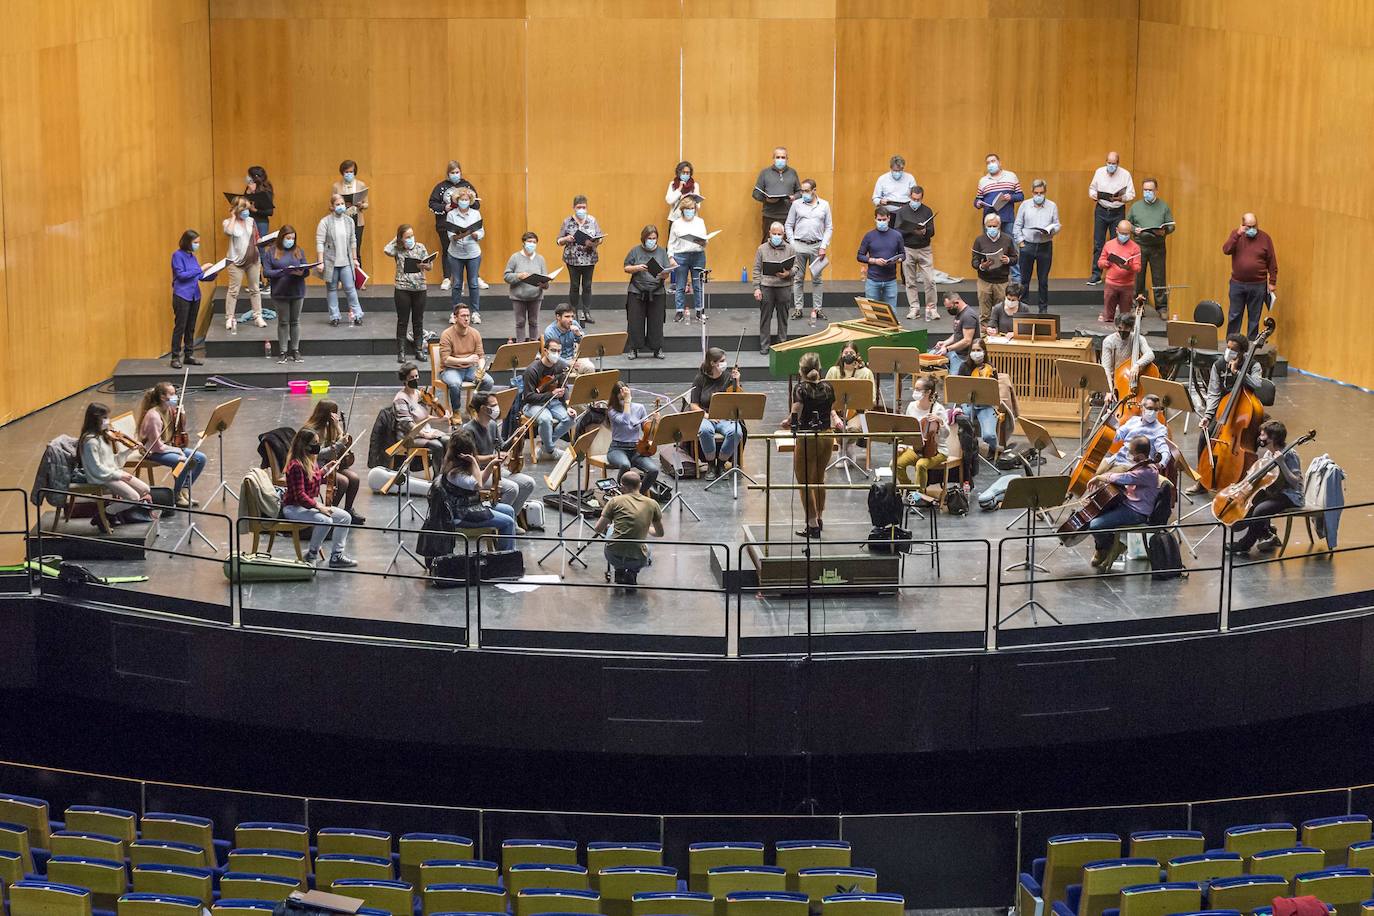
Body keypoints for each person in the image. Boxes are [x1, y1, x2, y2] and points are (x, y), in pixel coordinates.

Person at [1189, 332, 1265, 494]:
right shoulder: (1219, 365)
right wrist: (1208, 416)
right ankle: (1202, 482)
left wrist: (1238, 373)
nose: (1229, 352)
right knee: (1205, 436)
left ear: (1243, 352)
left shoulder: (1253, 365)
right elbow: (1214, 392)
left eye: (1234, 349)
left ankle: (1244, 481)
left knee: (1259, 438)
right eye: (1228, 348)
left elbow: (1258, 384)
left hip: (1246, 412)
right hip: (1225, 409)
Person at [281, 428, 356, 568]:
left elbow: (313, 480)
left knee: (345, 517)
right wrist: (319, 507)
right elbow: (300, 495)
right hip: (293, 508)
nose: (318, 446)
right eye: (314, 443)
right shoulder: (296, 466)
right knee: (325, 520)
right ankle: (311, 554)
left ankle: (336, 556)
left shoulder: (311, 461)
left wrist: (325, 470)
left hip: (307, 506)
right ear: (304, 446)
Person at [1228, 419, 1303, 555]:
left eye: (1263, 435)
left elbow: (1294, 482)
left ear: (1273, 438)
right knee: (1251, 505)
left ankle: (1245, 544)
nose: (1259, 438)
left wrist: (1282, 463)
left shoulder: (1290, 455)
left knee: (1260, 510)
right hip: (1273, 491)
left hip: (1289, 495)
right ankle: (1266, 533)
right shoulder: (1269, 453)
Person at [787, 352, 841, 539]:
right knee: (819, 479)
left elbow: (797, 411)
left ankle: (811, 524)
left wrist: (788, 421)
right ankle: (819, 517)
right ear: (819, 368)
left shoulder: (800, 389)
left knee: (804, 482)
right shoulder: (828, 387)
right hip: (827, 436)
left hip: (807, 438)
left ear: (800, 370)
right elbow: (829, 408)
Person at [1085, 435, 1157, 570]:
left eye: (1131, 453)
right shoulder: (1141, 465)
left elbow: (1124, 477)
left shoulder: (1147, 472)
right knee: (1094, 514)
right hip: (1128, 503)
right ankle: (1105, 547)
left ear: (1141, 456)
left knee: (1094, 525)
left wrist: (1101, 477)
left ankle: (1109, 546)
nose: (1129, 455)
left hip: (1136, 512)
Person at [77, 403, 154, 526]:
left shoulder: (103, 437)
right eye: (104, 418)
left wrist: (129, 450)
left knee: (145, 489)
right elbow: (96, 468)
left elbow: (112, 461)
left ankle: (114, 512)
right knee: (133, 498)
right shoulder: (90, 442)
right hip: (100, 477)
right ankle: (104, 514)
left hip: (112, 472)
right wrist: (119, 476)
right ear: (95, 419)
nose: (108, 420)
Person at [441, 430, 519, 552]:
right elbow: (479, 484)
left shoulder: (459, 466)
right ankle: (505, 559)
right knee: (508, 522)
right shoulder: (455, 474)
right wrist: (474, 462)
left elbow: (479, 478)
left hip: (471, 506)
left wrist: (492, 464)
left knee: (509, 510)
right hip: (461, 514)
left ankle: (507, 551)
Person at [462, 390, 535, 518]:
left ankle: (511, 519)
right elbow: (472, 459)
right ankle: (497, 521)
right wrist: (493, 458)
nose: (497, 408)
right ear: (484, 408)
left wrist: (516, 434)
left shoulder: (492, 424)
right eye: (494, 405)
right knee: (511, 488)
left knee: (528, 483)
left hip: (494, 469)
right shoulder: (469, 430)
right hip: (478, 473)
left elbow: (501, 446)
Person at [137, 382, 206, 508]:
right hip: (152, 451)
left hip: (166, 447)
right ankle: (177, 495)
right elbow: (156, 446)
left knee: (201, 458)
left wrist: (182, 415)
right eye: (172, 394)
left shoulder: (169, 409)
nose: (176, 397)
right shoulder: (154, 416)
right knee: (182, 461)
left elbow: (179, 429)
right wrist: (177, 451)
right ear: (163, 397)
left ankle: (185, 489)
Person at [594, 469, 665, 589]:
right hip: (638, 558)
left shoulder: (614, 501)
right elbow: (660, 533)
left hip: (613, 555)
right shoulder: (652, 504)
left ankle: (619, 570)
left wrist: (609, 525)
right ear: (640, 485)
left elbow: (598, 529)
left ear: (622, 487)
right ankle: (633, 572)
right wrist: (645, 527)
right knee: (647, 544)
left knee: (611, 527)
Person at [302, 399, 364, 524]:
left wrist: (337, 427)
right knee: (343, 481)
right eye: (333, 413)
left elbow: (343, 441)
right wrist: (335, 447)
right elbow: (315, 453)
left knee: (354, 478)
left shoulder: (330, 428)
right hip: (316, 466)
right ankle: (331, 511)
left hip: (331, 463)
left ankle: (348, 510)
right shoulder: (310, 430)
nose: (336, 417)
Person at [690, 347, 743, 479]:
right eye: (722, 361)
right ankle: (711, 464)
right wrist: (708, 416)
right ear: (713, 363)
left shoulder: (728, 377)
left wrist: (737, 381)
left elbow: (737, 398)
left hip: (725, 417)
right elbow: (693, 405)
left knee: (736, 432)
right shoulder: (700, 378)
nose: (725, 363)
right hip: (706, 416)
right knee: (705, 431)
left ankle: (721, 463)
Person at [784, 178, 831, 324]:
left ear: (814, 191)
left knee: (817, 279)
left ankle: (817, 309)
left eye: (806, 191)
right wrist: (792, 244)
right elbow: (788, 225)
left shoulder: (824, 205)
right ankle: (798, 308)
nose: (804, 193)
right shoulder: (796, 204)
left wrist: (824, 245)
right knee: (798, 278)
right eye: (802, 191)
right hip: (799, 245)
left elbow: (829, 227)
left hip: (817, 246)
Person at [1223, 213, 1278, 338]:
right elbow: (1226, 250)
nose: (1252, 229)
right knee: (1234, 315)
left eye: (1254, 226)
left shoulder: (1265, 238)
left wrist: (1272, 282)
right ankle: (1232, 345)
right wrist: (1237, 234)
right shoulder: (1236, 235)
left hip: (1258, 285)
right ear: (1242, 225)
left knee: (1254, 317)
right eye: (1249, 227)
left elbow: (1272, 261)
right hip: (1237, 284)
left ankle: (1250, 348)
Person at [382, 224, 431, 364]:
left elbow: (430, 266)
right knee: (402, 321)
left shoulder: (420, 247)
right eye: (407, 237)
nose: (411, 239)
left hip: (420, 289)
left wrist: (425, 265)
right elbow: (386, 250)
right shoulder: (397, 249)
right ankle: (401, 352)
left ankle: (419, 350)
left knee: (418, 321)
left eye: (412, 236)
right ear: (401, 239)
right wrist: (396, 240)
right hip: (402, 289)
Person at [521, 339, 576, 461]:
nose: (556, 353)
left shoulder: (561, 367)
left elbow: (564, 387)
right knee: (545, 419)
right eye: (553, 350)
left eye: (559, 351)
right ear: (545, 351)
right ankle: (551, 449)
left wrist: (568, 406)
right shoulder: (532, 370)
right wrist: (551, 394)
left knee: (571, 417)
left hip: (554, 402)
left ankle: (544, 445)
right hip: (534, 404)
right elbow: (528, 397)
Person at [428, 160, 480, 290]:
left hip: (467, 225)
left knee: (470, 249)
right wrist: (444, 207)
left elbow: (477, 204)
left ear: (461, 172)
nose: (455, 174)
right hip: (446, 225)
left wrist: (469, 200)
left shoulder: (467, 186)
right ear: (448, 174)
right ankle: (447, 278)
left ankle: (475, 277)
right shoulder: (440, 187)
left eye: (457, 172)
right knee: (447, 250)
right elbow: (432, 204)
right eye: (452, 172)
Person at [623, 225, 673, 360]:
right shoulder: (635, 251)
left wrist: (664, 274)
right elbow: (626, 267)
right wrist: (637, 268)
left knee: (656, 321)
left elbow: (667, 272)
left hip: (657, 291)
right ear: (643, 238)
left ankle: (657, 348)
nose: (652, 240)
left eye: (654, 238)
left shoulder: (662, 252)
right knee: (635, 321)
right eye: (649, 238)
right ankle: (633, 348)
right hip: (637, 290)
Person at [262, 225, 309, 364]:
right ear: (282, 237)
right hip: (280, 292)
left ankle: (295, 350)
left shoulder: (298, 250)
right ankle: (283, 351)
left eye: (293, 238)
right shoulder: (271, 252)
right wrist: (282, 272)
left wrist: (302, 271)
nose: (291, 241)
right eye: (288, 238)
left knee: (295, 321)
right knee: (283, 322)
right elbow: (266, 272)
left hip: (297, 290)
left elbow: (306, 269)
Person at [315, 193, 364, 327]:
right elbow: (320, 242)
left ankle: (357, 314)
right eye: (337, 204)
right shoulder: (325, 222)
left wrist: (354, 258)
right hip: (330, 262)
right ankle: (334, 316)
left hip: (346, 262)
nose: (341, 206)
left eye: (342, 204)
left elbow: (353, 240)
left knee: (350, 288)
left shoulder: (349, 221)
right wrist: (320, 261)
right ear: (332, 206)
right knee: (331, 289)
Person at [1087, 151, 1136, 285]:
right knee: (1098, 243)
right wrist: (1094, 195)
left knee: (1118, 244)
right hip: (1101, 209)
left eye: (1113, 164)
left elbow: (1132, 194)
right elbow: (1091, 189)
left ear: (1118, 164)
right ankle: (1096, 274)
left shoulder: (1125, 174)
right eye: (1109, 163)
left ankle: (1115, 274)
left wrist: (1122, 198)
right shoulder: (1099, 172)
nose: (1111, 166)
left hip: (1117, 211)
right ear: (1106, 162)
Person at [1128, 178, 1175, 316]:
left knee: (1159, 277)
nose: (1147, 192)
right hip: (1139, 246)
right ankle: (1138, 305)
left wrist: (1165, 231)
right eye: (1145, 190)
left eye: (1150, 190)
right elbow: (1127, 223)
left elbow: (1171, 225)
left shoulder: (1163, 206)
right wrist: (1133, 229)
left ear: (1156, 191)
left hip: (1157, 247)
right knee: (1138, 278)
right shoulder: (1136, 206)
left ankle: (1162, 307)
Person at [974, 153, 1024, 282]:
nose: (991, 164)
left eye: (993, 161)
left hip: (1007, 219)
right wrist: (978, 203)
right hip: (989, 219)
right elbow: (977, 199)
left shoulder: (1011, 176)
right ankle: (989, 277)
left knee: (1011, 247)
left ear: (999, 162)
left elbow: (1021, 195)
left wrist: (1010, 197)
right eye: (988, 162)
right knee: (988, 248)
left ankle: (1016, 280)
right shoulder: (983, 181)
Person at [1012, 179, 1059, 314]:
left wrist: (1052, 230)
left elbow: (1056, 224)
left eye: (1041, 193)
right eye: (1036, 193)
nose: (1039, 195)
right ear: (1032, 192)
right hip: (1027, 245)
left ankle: (1043, 310)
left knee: (1043, 281)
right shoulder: (1025, 205)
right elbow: (1017, 226)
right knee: (1024, 280)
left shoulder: (1052, 206)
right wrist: (1020, 242)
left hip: (1045, 246)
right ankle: (1024, 308)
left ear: (1045, 192)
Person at [605, 382, 661, 494]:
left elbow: (647, 430)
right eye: (621, 393)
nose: (624, 394)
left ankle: (637, 495)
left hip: (636, 449)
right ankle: (620, 493)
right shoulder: (612, 410)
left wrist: (655, 422)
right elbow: (625, 421)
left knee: (653, 470)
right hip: (617, 448)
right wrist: (627, 401)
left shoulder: (639, 408)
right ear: (615, 396)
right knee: (625, 465)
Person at [556, 195, 603, 324]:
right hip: (572, 259)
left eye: (584, 207)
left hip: (589, 259)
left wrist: (594, 242)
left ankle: (586, 312)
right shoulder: (567, 221)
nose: (581, 210)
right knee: (575, 286)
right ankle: (573, 312)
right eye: (579, 207)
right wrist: (567, 239)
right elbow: (558, 241)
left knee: (587, 286)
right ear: (574, 207)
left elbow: (600, 238)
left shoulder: (592, 220)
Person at [896, 375, 947, 493]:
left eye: (918, 389)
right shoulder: (911, 406)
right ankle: (909, 489)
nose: (915, 392)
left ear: (929, 392)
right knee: (896, 464)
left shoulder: (938, 409)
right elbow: (907, 429)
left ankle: (919, 495)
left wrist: (940, 421)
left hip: (936, 450)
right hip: (915, 448)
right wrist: (903, 445)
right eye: (915, 389)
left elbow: (945, 435)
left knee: (920, 465)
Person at [825, 343, 876, 461]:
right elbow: (825, 396)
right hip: (835, 413)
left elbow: (871, 398)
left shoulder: (866, 373)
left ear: (857, 355)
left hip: (857, 413)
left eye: (851, 353)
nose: (848, 355)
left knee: (852, 430)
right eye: (846, 353)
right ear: (841, 355)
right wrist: (835, 417)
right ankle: (841, 450)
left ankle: (849, 448)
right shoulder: (833, 371)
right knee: (837, 427)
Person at [893, 184, 936, 320]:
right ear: (909, 197)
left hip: (924, 249)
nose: (916, 201)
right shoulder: (902, 212)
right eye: (913, 199)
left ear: (922, 198)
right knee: (910, 281)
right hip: (908, 249)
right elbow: (897, 231)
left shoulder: (927, 211)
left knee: (930, 280)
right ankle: (914, 308)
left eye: (918, 199)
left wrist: (925, 231)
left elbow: (932, 231)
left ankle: (931, 308)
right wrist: (912, 230)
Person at [222, 196, 265, 331]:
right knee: (234, 291)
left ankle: (258, 316)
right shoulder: (228, 222)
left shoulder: (251, 221)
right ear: (237, 209)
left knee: (255, 289)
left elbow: (257, 238)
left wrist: (266, 241)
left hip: (253, 260)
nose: (247, 211)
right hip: (236, 262)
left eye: (247, 208)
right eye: (244, 209)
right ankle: (229, 317)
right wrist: (234, 216)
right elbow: (229, 231)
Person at [438, 304, 491, 410]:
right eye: (463, 316)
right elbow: (446, 360)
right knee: (454, 384)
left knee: (488, 381)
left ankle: (473, 407)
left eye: (468, 315)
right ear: (455, 317)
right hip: (451, 369)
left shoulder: (475, 333)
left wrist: (480, 369)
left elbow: (481, 356)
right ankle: (456, 411)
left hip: (470, 369)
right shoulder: (447, 334)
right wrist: (466, 359)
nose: (466, 318)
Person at [395, 362, 449, 466]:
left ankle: (445, 472)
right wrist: (425, 435)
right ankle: (437, 478)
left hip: (425, 430)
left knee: (448, 441)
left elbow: (426, 417)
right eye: (411, 377)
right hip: (409, 436)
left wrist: (441, 416)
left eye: (416, 376)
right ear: (405, 380)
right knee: (437, 446)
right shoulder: (400, 399)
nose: (415, 379)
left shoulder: (419, 394)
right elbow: (408, 424)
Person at [753, 222, 796, 352]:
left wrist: (788, 273)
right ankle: (764, 346)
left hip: (784, 287)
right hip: (767, 287)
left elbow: (797, 267)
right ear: (770, 233)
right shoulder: (761, 249)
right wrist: (756, 288)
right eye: (774, 233)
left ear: (783, 235)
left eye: (779, 234)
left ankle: (781, 345)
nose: (776, 236)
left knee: (783, 318)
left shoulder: (790, 249)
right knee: (765, 318)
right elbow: (756, 269)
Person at [504, 231, 551, 343]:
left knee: (534, 322)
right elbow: (506, 276)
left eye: (534, 242)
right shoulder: (515, 257)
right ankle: (521, 346)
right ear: (523, 243)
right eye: (529, 242)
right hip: (518, 296)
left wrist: (544, 284)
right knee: (520, 322)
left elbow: (546, 281)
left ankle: (534, 346)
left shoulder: (540, 259)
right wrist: (518, 276)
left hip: (535, 296)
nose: (532, 244)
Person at [1102, 393, 1171, 470]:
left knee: (1104, 478)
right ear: (1142, 407)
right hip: (1117, 458)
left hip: (1132, 465)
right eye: (1150, 408)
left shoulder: (1160, 429)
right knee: (1094, 472)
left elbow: (1164, 450)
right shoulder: (1133, 420)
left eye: (1156, 409)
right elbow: (1117, 437)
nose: (1153, 412)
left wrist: (1161, 464)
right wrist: (1111, 422)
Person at [445, 186, 484, 320]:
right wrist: (460, 235)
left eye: (466, 199)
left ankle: (475, 312)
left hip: (473, 253)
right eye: (461, 199)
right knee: (456, 284)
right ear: (457, 200)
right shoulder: (451, 215)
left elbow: (481, 232)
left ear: (470, 200)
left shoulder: (475, 214)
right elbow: (450, 235)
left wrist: (475, 234)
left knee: (473, 283)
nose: (464, 201)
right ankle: (455, 313)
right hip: (455, 254)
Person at [957, 338, 1001, 457]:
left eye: (979, 350)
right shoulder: (964, 367)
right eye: (973, 350)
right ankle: (966, 449)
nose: (976, 353)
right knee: (961, 423)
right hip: (968, 404)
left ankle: (992, 450)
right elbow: (958, 388)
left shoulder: (991, 368)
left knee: (989, 435)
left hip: (985, 405)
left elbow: (995, 393)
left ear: (984, 352)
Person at [668, 197, 709, 323]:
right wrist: (671, 258)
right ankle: (679, 311)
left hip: (698, 255)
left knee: (698, 285)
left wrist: (703, 242)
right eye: (687, 209)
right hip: (681, 256)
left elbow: (705, 241)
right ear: (682, 210)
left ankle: (699, 311)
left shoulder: (700, 221)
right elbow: (671, 243)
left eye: (692, 208)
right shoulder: (676, 223)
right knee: (680, 285)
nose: (690, 211)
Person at [169, 230, 206, 369]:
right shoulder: (177, 255)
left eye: (198, 242)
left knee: (191, 327)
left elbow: (200, 276)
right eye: (195, 242)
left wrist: (214, 272)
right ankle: (175, 357)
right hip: (182, 295)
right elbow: (181, 275)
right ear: (187, 242)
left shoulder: (192, 257)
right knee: (180, 327)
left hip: (195, 295)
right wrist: (200, 269)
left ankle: (189, 355)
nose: (198, 245)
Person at [971, 214, 1016, 321]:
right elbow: (974, 261)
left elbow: (1015, 258)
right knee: (984, 314)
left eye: (994, 226)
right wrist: (982, 266)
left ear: (999, 226)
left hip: (1002, 282)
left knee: (1001, 313)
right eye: (989, 226)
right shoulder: (979, 240)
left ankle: (1000, 335)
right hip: (984, 281)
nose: (992, 229)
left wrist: (1008, 260)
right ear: (985, 226)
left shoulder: (1007, 239)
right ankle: (985, 335)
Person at [1096, 219, 1141, 323]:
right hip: (1111, 284)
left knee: (1125, 317)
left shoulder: (1135, 247)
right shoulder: (1109, 244)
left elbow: (1138, 268)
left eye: (1127, 234)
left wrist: (1129, 267)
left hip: (1127, 286)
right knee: (1108, 316)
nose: (1124, 236)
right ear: (1116, 230)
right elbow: (1100, 262)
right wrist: (1106, 263)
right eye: (1122, 233)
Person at [857, 207, 904, 308]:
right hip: (873, 280)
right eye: (879, 220)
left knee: (892, 314)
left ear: (889, 218)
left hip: (891, 280)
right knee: (872, 313)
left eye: (884, 220)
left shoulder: (897, 236)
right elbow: (860, 256)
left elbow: (903, 254)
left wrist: (898, 260)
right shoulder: (869, 236)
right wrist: (874, 261)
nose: (881, 222)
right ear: (875, 219)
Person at [753, 146, 801, 242]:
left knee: (788, 246)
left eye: (783, 157)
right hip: (770, 216)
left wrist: (794, 197)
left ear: (787, 159)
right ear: (773, 158)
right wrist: (766, 199)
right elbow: (756, 193)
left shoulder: (793, 172)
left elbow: (800, 192)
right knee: (767, 245)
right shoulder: (765, 173)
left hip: (788, 216)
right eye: (777, 157)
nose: (780, 160)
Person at [1100, 309, 1155, 388]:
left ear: (1131, 328)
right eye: (1119, 328)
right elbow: (1106, 369)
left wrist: (1137, 365)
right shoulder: (1109, 341)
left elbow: (1150, 354)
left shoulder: (1137, 338)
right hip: (1115, 380)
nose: (1122, 330)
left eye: (1126, 328)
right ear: (1116, 326)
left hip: (1133, 378)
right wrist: (1110, 390)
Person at [331, 160, 370, 269]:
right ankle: (342, 278)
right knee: (342, 250)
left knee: (356, 250)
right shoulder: (336, 186)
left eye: (351, 172)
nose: (348, 174)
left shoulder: (361, 184)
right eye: (346, 172)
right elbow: (331, 206)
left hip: (357, 220)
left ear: (355, 172)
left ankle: (359, 280)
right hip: (341, 220)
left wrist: (360, 205)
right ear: (342, 173)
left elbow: (367, 204)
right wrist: (340, 206)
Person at [933, 294, 980, 376]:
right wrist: (945, 343)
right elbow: (957, 334)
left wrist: (947, 349)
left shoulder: (968, 316)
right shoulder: (959, 313)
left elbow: (967, 341)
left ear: (956, 303)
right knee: (930, 355)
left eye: (949, 308)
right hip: (955, 352)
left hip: (964, 356)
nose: (948, 310)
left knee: (953, 381)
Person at [244, 165, 274, 239]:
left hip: (260, 223)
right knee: (248, 247)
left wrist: (255, 210)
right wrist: (249, 192)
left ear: (255, 177)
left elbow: (270, 212)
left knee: (260, 247)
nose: (247, 177)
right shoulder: (249, 187)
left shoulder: (266, 190)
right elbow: (244, 202)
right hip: (248, 220)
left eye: (249, 175)